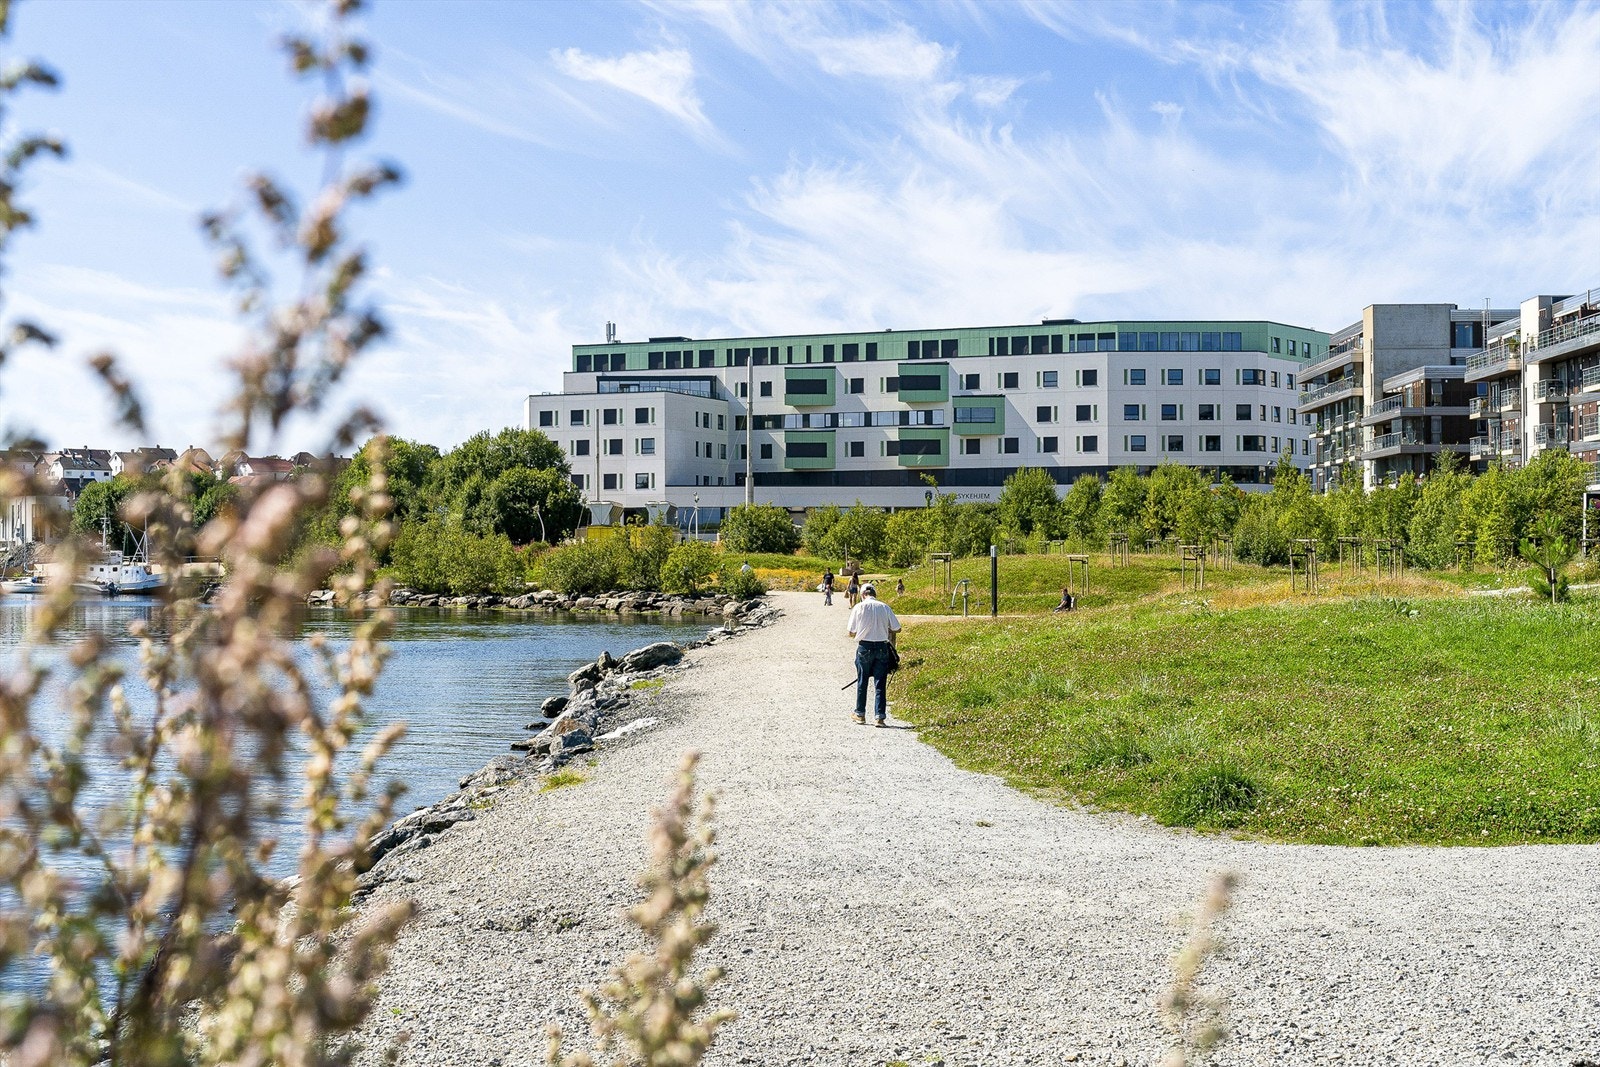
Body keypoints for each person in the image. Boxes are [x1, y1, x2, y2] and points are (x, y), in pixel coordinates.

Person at [846, 583, 901, 727]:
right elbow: (897, 628)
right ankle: (880, 717)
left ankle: (860, 714)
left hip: (865, 646)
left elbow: (851, 632)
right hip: (882, 646)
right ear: (874, 593)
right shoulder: (884, 607)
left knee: (862, 681)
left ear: (863, 594)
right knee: (880, 683)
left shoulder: (859, 607)